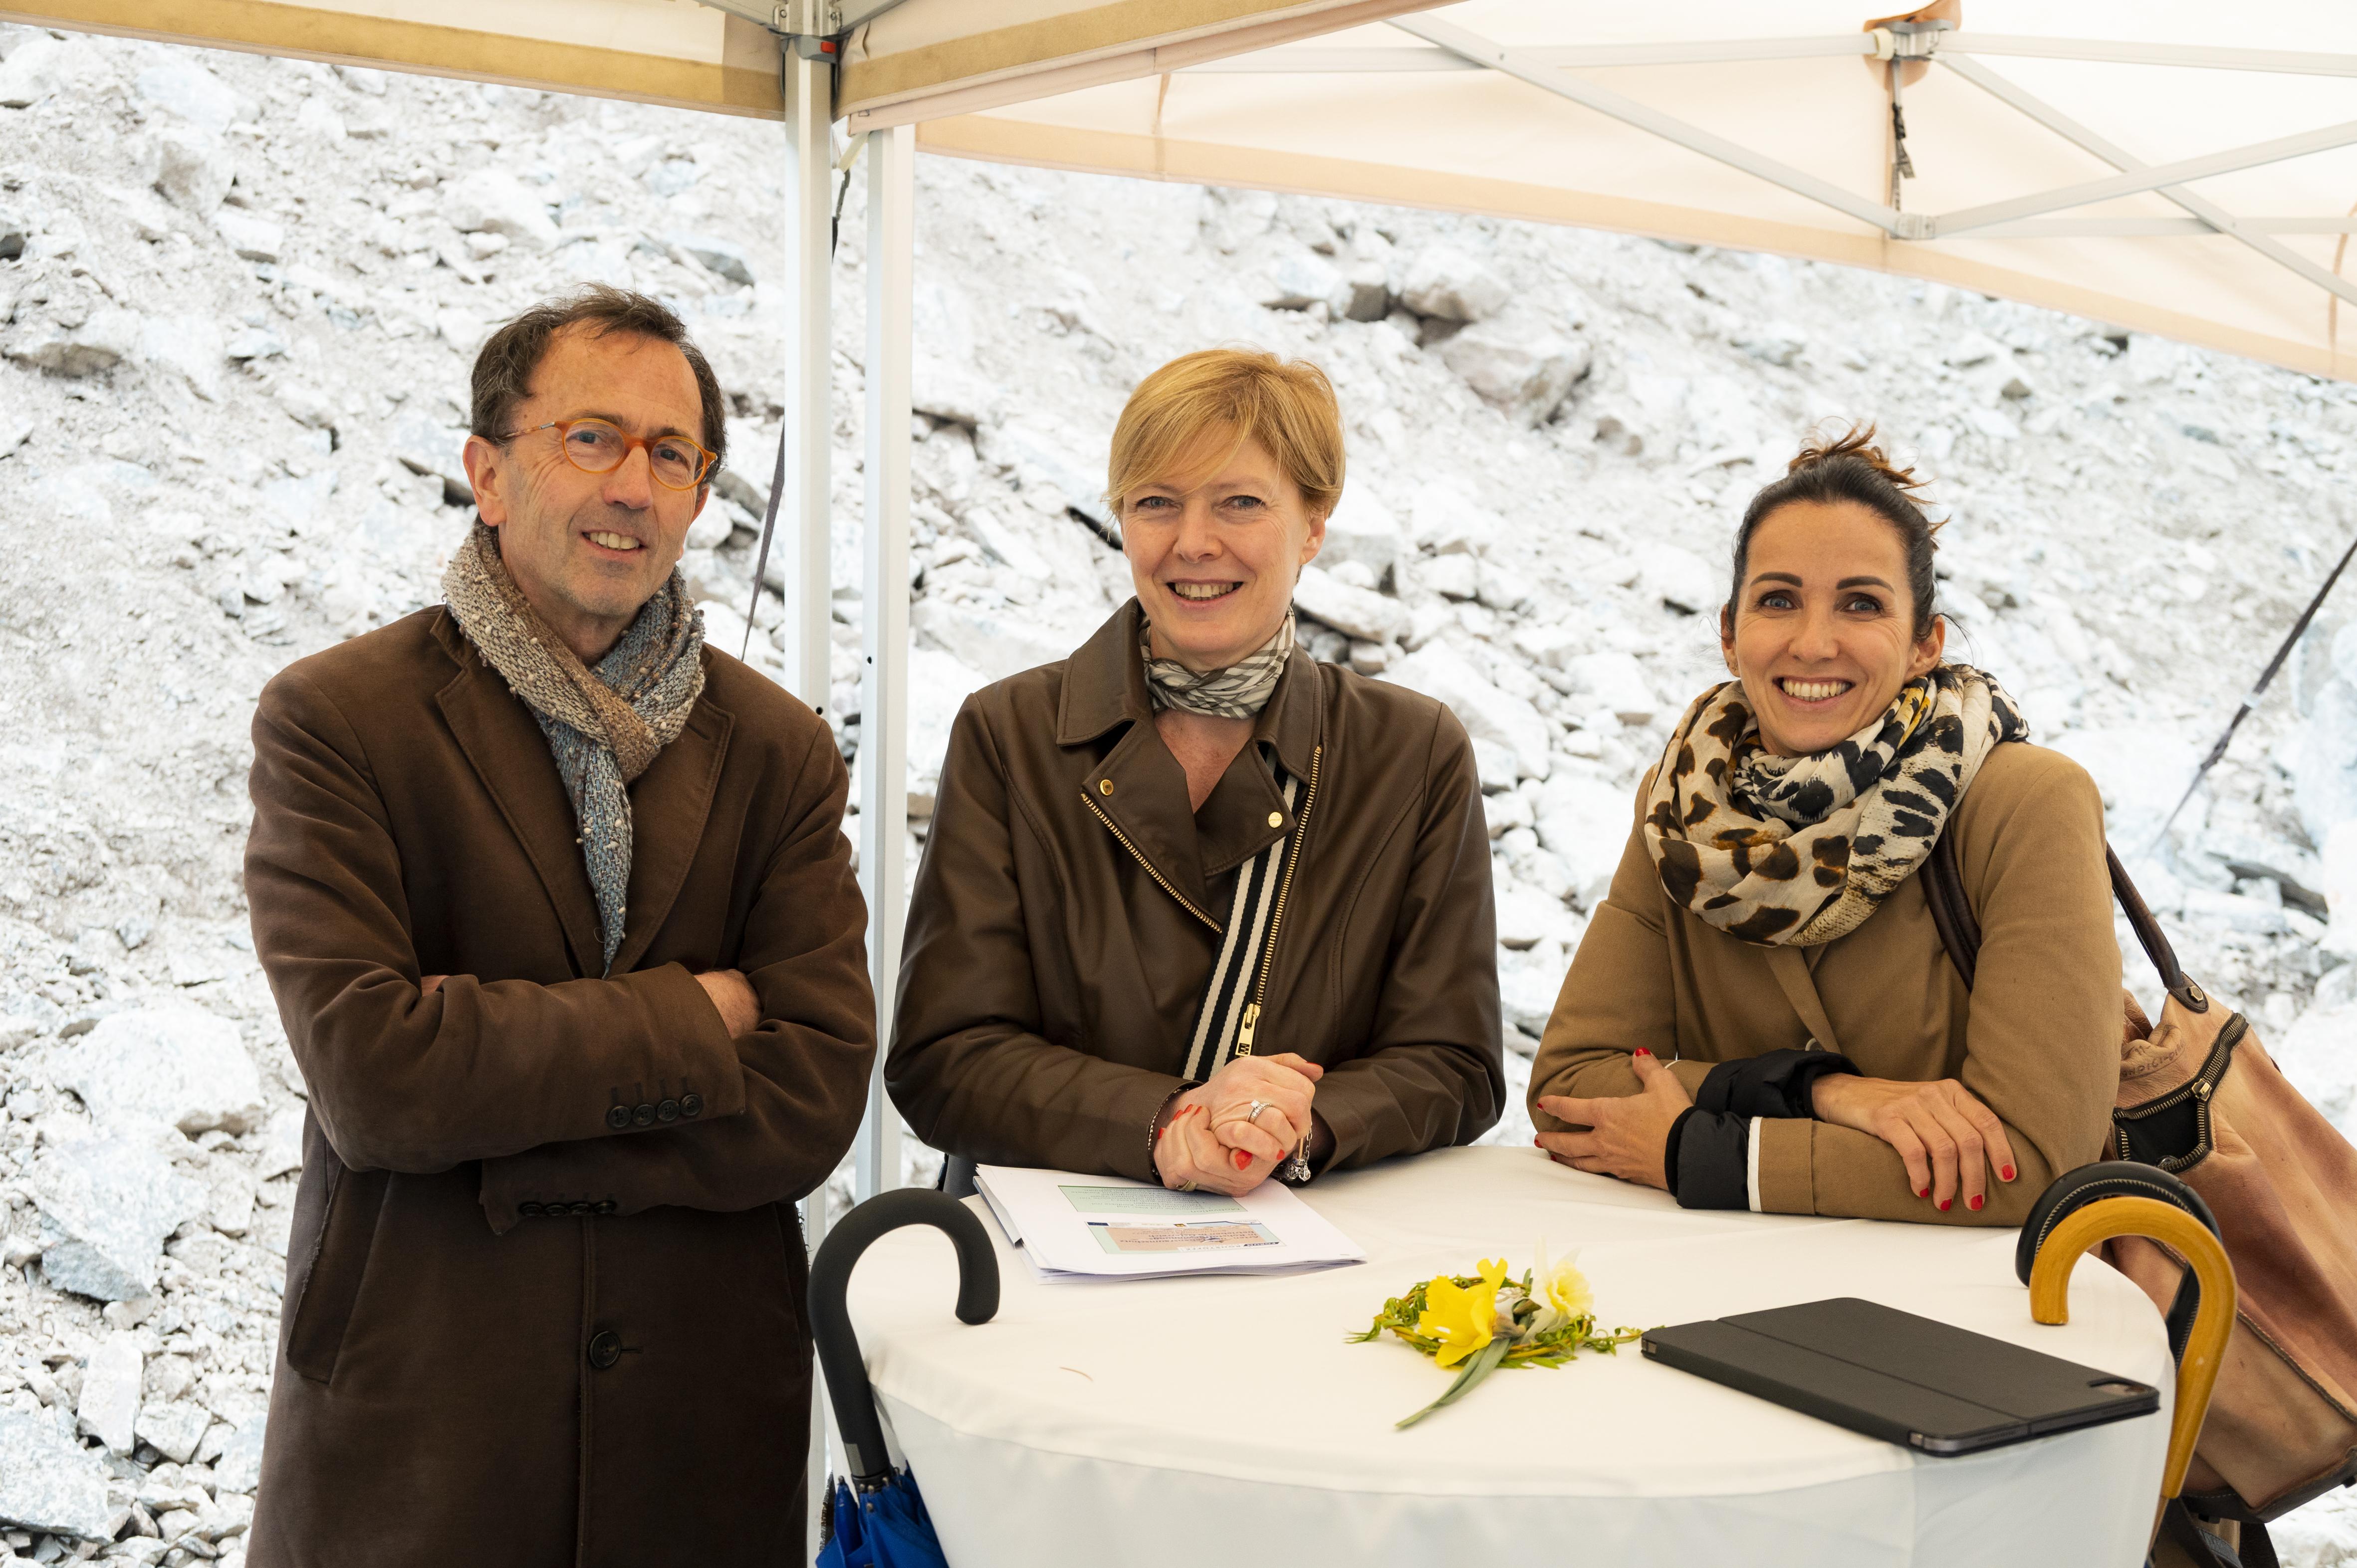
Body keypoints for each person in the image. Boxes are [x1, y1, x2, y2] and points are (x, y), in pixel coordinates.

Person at [242, 285, 873, 1564]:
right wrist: (698, 1018)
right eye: (591, 438)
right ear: (488, 471)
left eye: (672, 454)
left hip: (696, 1431)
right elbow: (374, 1079)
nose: (633, 486)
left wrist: (501, 1146)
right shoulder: (338, 721)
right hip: (424, 1419)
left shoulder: (779, 750)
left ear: (700, 497)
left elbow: (813, 1090)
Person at [889, 348, 1503, 1195]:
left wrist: (1292, 1124)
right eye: (1156, 505)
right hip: (1045, 1257)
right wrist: (1166, 1122)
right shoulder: (1011, 733)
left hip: (1301, 1242)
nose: (1193, 543)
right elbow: (944, 1059)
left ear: (1315, 526)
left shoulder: (1413, 752)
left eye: (1240, 503)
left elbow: (1456, 1065)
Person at [1526, 427, 2120, 1224]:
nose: (1813, 642)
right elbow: (1570, 1088)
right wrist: (1825, 1094)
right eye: (1779, 601)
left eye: (1861, 604)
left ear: (1923, 646)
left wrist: (1698, 1151)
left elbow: (2037, 1162)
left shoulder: (2026, 804)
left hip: (1966, 1318)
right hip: (1717, 1298)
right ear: (1732, 635)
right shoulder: (1678, 809)